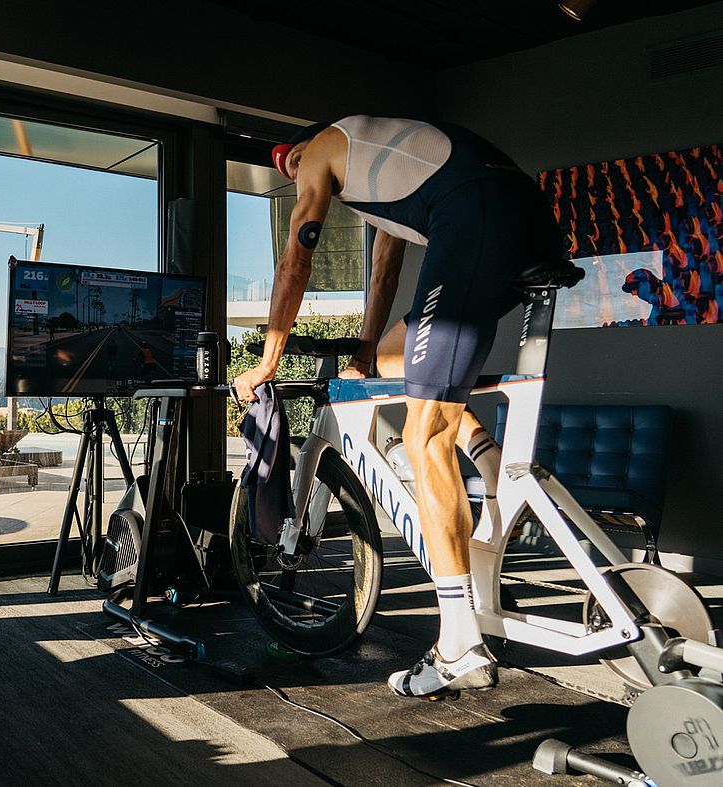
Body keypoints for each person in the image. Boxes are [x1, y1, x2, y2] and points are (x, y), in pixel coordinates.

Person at [232, 117, 564, 700]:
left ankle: (460, 642)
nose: (294, 174)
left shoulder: (325, 150)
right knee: (393, 359)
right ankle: (489, 464)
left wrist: (266, 362)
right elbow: (385, 268)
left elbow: (294, 261)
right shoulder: (381, 178)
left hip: (475, 219)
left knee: (423, 438)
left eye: (290, 161)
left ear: (304, 147)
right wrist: (364, 346)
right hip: (521, 221)